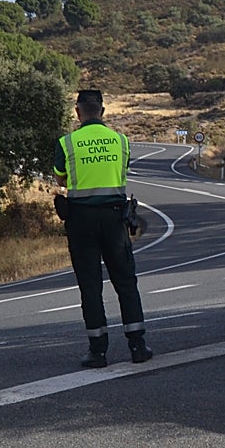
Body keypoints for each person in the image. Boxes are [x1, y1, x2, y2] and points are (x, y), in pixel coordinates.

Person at [53, 89, 152, 368]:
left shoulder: (67, 143)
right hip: (114, 219)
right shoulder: (121, 141)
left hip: (81, 221)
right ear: (104, 111)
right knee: (126, 282)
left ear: (77, 112)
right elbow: (122, 171)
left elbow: (60, 178)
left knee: (90, 286)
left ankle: (98, 351)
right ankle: (137, 346)